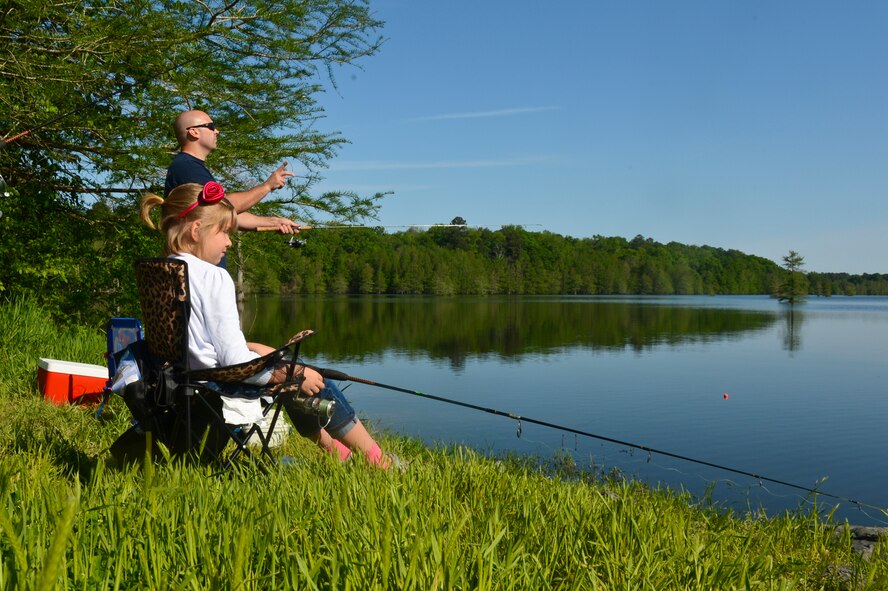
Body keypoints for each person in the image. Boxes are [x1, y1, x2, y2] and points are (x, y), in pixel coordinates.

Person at [140, 181, 397, 469]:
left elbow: (196, 341)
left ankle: (342, 456)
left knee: (291, 370)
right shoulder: (213, 276)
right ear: (195, 230)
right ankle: (382, 464)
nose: (229, 242)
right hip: (217, 383)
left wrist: (261, 352)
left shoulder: (165, 270)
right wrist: (294, 372)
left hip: (181, 380)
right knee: (314, 381)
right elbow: (233, 361)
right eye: (224, 232)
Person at [165, 109, 300, 234]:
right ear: (194, 132)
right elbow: (221, 207)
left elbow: (226, 213)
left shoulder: (190, 166)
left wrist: (275, 222)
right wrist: (267, 186)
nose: (216, 131)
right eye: (211, 127)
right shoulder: (187, 167)